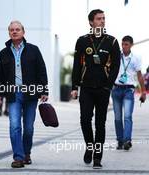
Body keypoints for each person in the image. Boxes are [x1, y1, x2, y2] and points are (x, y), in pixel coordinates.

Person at [71, 9, 121, 169]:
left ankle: (97, 157)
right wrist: (74, 86)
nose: (102, 21)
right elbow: (77, 65)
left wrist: (108, 86)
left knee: (100, 123)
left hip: (103, 89)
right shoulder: (82, 41)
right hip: (86, 87)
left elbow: (115, 66)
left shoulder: (112, 41)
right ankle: (90, 146)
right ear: (91, 22)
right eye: (99, 19)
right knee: (85, 120)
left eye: (104, 18)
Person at [0, 20, 48, 168]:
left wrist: (44, 90)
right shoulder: (4, 52)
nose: (14, 31)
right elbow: (1, 76)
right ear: (9, 33)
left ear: (23, 32)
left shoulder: (34, 50)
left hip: (30, 93)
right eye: (11, 30)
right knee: (14, 125)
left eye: (17, 29)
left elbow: (41, 71)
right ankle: (18, 157)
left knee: (29, 127)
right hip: (13, 94)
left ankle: (26, 153)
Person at [112, 35, 146, 150]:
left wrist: (143, 92)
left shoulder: (136, 58)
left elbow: (140, 76)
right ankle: (120, 141)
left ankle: (127, 140)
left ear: (131, 45)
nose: (123, 46)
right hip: (116, 89)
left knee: (127, 116)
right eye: (122, 44)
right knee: (117, 117)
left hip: (128, 90)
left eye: (126, 44)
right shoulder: (116, 56)